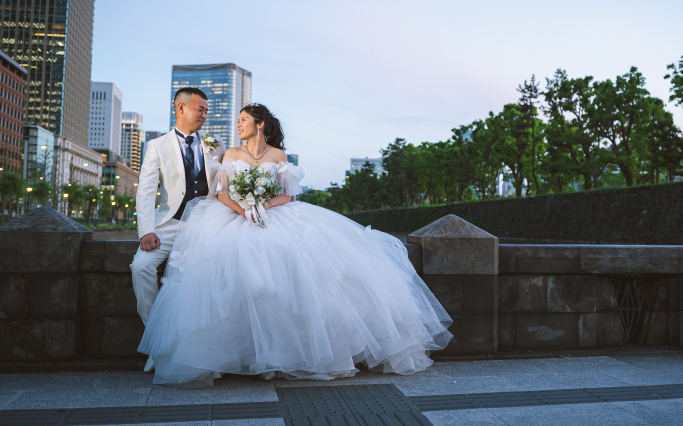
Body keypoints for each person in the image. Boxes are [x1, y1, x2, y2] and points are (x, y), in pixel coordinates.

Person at [138, 103, 452, 387]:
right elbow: (221, 193)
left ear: (259, 124)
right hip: (233, 217)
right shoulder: (230, 154)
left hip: (274, 215)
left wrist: (263, 206)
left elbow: (287, 195)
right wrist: (244, 209)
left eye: (243, 120)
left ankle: (288, 355)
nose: (238, 125)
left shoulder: (278, 156)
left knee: (296, 266)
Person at [131, 87, 226, 374]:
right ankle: (156, 342)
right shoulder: (156, 145)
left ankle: (207, 348)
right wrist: (146, 231)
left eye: (207, 110)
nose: (205, 114)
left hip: (206, 225)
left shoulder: (216, 144)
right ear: (181, 108)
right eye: (200, 109)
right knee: (140, 267)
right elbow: (146, 192)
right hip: (169, 224)